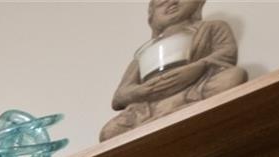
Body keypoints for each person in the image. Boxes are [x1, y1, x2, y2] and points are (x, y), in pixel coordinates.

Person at [100, 0, 247, 141]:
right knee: (109, 132)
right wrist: (144, 90)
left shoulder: (212, 27)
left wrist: (196, 68)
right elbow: (119, 96)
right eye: (162, 2)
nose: (171, 2)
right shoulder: (145, 53)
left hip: (193, 90)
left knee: (233, 76)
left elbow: (227, 54)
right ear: (152, 15)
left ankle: (168, 113)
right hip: (152, 104)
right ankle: (166, 113)